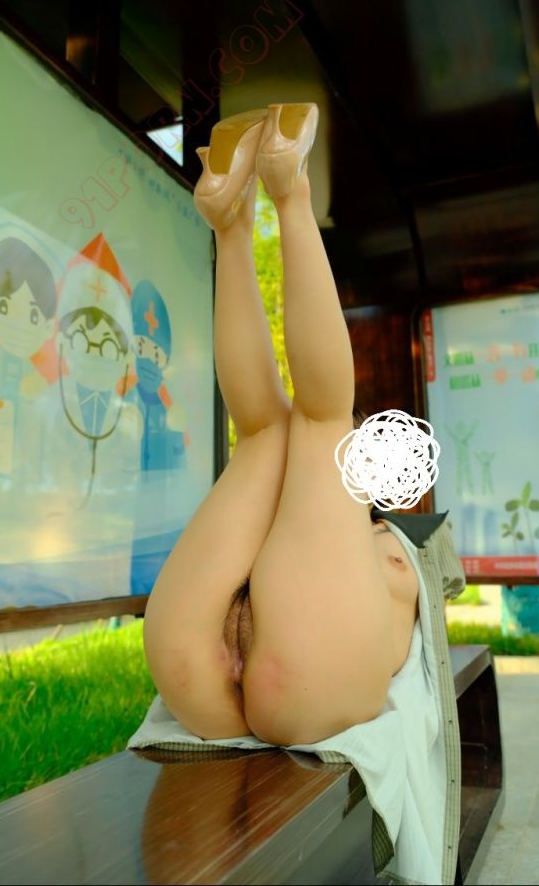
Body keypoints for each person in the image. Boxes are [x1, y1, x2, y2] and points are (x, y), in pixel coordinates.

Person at [142, 104, 423, 746]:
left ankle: (235, 222)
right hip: (316, 674)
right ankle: (279, 191)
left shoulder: (356, 526)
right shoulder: (382, 542)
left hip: (188, 660)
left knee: (277, 430)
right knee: (314, 423)